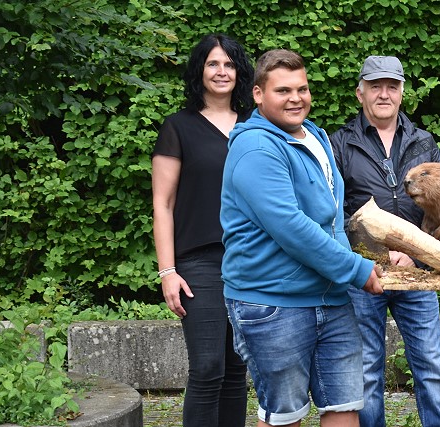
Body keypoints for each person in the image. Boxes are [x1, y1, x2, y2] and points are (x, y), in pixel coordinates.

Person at [220, 48, 383, 427]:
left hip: (331, 296)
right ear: (258, 94)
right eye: (283, 91)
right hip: (274, 303)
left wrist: (374, 255)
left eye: (302, 89)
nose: (296, 98)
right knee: (285, 418)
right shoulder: (255, 148)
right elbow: (291, 227)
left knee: (344, 407)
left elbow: (329, 219)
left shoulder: (314, 136)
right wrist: (357, 269)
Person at [329, 55, 440, 427]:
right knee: (367, 372)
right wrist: (367, 258)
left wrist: (418, 255)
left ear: (402, 93)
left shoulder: (423, 142)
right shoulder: (341, 143)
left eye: (392, 86)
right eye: (376, 86)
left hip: (417, 273)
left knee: (431, 367)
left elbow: (439, 209)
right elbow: (334, 212)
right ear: (360, 92)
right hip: (365, 275)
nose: (385, 94)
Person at [151, 33, 253, 427]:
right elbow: (163, 204)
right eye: (213, 63)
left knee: (236, 370)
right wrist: (167, 272)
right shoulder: (179, 127)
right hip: (199, 262)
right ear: (199, 70)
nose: (222, 71)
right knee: (208, 366)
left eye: (229, 64)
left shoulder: (255, 127)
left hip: (250, 259)